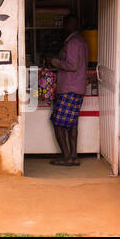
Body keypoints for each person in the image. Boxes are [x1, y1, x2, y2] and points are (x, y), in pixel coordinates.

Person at [48, 15, 89, 167]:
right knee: (71, 124)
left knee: (58, 122)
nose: (63, 27)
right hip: (78, 88)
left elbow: (72, 65)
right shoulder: (82, 42)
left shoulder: (72, 42)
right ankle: (73, 156)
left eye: (65, 24)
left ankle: (66, 156)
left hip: (69, 88)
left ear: (71, 25)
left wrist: (53, 61)